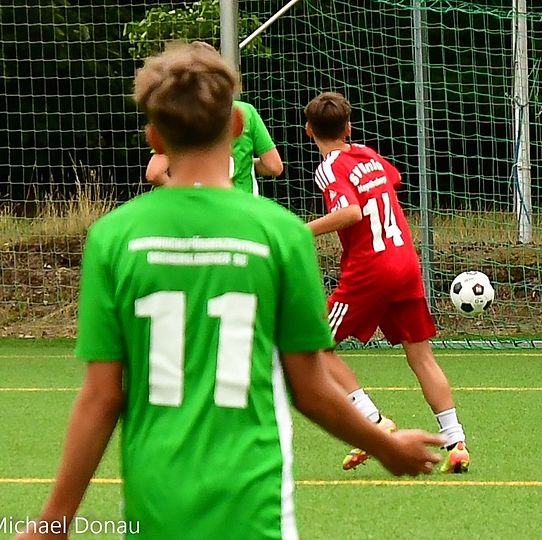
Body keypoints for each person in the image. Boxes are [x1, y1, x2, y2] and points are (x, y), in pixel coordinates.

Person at [17, 42, 442, 540]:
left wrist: (53, 522)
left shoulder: (113, 237)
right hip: (254, 504)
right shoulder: (280, 234)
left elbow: (101, 396)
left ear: (154, 137)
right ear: (238, 126)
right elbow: (310, 390)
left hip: (156, 504)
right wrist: (387, 448)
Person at [303, 91, 471, 473]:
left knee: (314, 345)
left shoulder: (329, 167)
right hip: (405, 262)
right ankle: (456, 441)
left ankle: (374, 422)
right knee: (421, 356)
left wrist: (302, 230)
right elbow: (391, 182)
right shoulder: (367, 154)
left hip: (371, 268)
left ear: (309, 130)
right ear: (349, 127)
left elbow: (350, 211)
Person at [144, 46, 282, 195]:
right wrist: (247, 162)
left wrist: (184, 192)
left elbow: (154, 173)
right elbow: (273, 166)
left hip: (193, 205)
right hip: (240, 203)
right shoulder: (245, 112)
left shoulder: (179, 113)